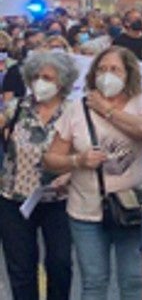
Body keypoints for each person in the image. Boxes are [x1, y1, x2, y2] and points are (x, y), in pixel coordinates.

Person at [43, 47, 142, 300]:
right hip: (86, 211)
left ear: (129, 74)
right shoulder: (77, 109)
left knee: (133, 281)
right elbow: (50, 159)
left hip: (130, 208)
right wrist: (77, 160)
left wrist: (108, 111)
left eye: (114, 69)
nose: (107, 75)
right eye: (101, 69)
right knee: (94, 282)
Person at [0, 51, 78, 300]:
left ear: (62, 82)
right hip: (14, 199)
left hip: (59, 200)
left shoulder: (74, 111)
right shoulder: (17, 108)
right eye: (36, 76)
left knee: (60, 263)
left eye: (48, 77)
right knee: (21, 266)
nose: (40, 82)